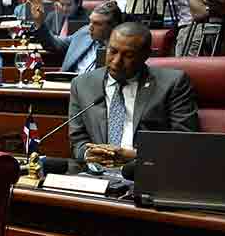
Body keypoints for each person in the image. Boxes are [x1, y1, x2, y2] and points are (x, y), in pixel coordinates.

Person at [68, 22, 199, 164]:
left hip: (148, 169)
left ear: (145, 56)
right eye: (112, 51)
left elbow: (185, 141)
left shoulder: (172, 84)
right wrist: (89, 154)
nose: (116, 61)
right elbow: (77, 140)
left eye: (128, 55)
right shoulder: (81, 84)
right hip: (98, 172)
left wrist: (137, 156)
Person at [31, 0, 123, 75]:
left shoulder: (120, 50)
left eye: (97, 24)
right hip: (66, 85)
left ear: (113, 26)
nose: (90, 27)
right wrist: (39, 22)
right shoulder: (85, 33)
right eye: (90, 21)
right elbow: (55, 44)